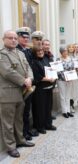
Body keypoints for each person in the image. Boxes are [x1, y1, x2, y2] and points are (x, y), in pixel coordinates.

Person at [0, 30, 35, 158]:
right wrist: (24, 81)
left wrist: (30, 78)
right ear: (3, 39)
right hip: (8, 93)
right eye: (10, 38)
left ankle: (20, 140)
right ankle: (11, 146)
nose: (13, 40)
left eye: (15, 38)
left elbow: (28, 68)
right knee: (8, 122)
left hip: (21, 92)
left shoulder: (20, 53)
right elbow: (7, 72)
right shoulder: (2, 54)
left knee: (18, 119)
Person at [16, 27, 36, 141]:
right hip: (22, 84)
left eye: (27, 37)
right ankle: (23, 133)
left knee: (28, 109)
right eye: (23, 37)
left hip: (30, 83)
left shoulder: (27, 50)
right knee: (23, 111)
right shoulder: (17, 50)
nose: (26, 39)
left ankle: (27, 130)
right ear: (18, 37)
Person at [31, 46, 57, 134]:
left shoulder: (46, 60)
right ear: (35, 52)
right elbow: (36, 76)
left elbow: (52, 70)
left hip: (49, 87)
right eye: (38, 51)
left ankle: (48, 124)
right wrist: (48, 79)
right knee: (40, 108)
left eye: (41, 50)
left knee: (48, 107)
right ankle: (40, 126)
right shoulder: (34, 62)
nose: (40, 52)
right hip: (40, 89)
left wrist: (53, 77)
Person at [57, 47, 75, 118]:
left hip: (69, 79)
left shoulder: (70, 58)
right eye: (64, 51)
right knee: (63, 96)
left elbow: (73, 68)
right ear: (61, 52)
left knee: (68, 96)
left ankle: (68, 110)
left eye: (66, 51)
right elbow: (58, 71)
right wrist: (65, 77)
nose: (65, 53)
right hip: (61, 80)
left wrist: (71, 76)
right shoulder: (58, 59)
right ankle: (64, 111)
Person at [67, 44, 78, 112]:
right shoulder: (66, 56)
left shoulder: (75, 56)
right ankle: (69, 106)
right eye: (70, 47)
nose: (71, 48)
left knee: (74, 91)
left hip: (75, 75)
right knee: (69, 91)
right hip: (68, 76)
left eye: (72, 47)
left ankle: (72, 104)